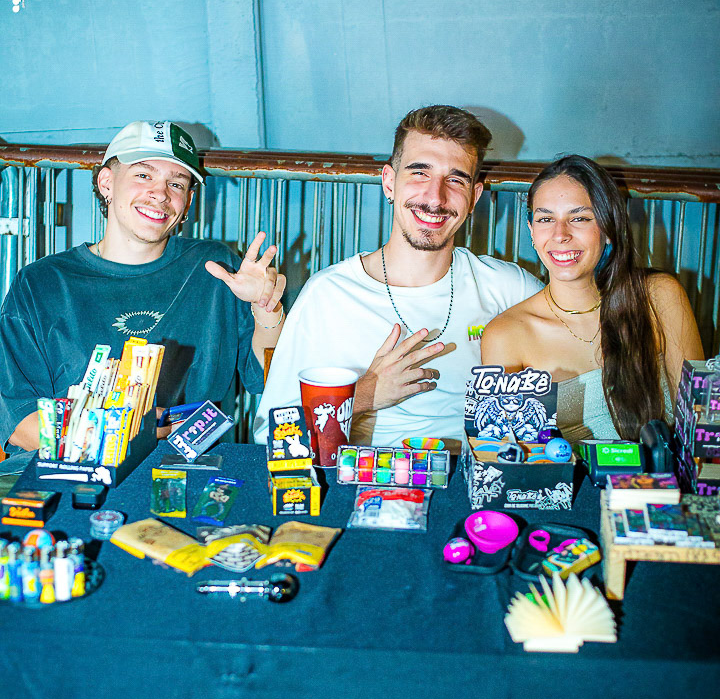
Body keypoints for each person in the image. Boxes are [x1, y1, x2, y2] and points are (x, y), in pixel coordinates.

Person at [254, 105, 542, 448]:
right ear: (389, 182)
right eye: (420, 173)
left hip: (479, 475)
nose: (435, 197)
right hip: (367, 475)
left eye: (455, 180)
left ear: (473, 197)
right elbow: (271, 434)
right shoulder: (329, 294)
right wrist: (363, 394)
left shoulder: (509, 288)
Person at [0, 120, 286, 465]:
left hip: (188, 469)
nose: (161, 194)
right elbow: (21, 426)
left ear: (187, 202)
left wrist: (267, 309)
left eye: (176, 183)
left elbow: (267, 379)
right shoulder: (41, 283)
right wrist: (140, 428)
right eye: (143, 175)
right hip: (67, 470)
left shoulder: (216, 268)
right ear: (107, 182)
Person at [480, 155, 704, 442]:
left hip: (664, 470)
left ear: (608, 229)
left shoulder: (659, 296)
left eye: (579, 218)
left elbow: (698, 426)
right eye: (546, 219)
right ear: (531, 231)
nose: (560, 234)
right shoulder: (505, 334)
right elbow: (504, 451)